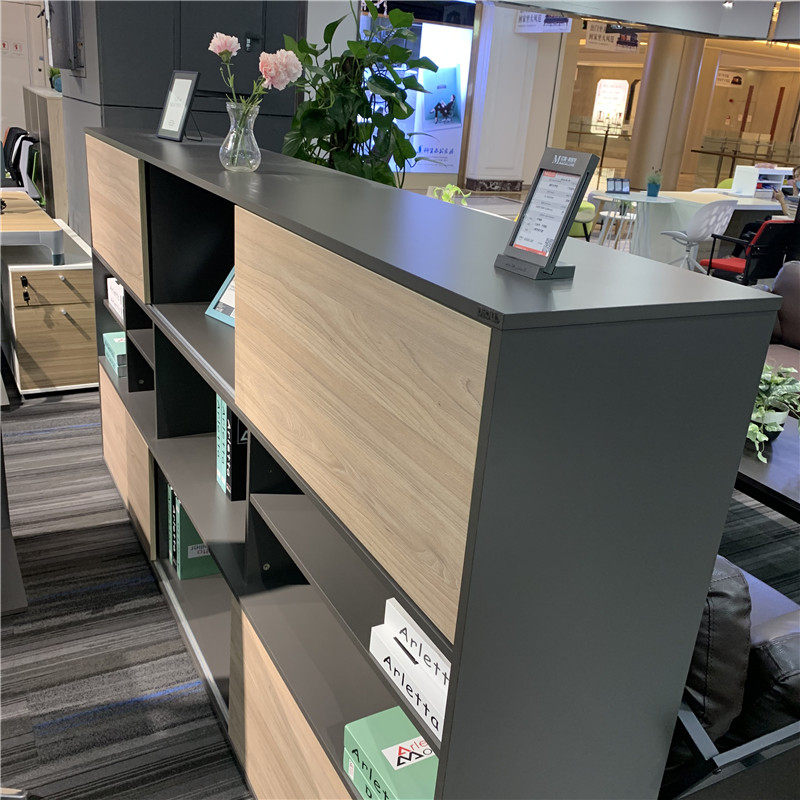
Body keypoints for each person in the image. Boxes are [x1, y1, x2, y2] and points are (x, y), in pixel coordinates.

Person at [731, 165, 799, 257]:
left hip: (788, 231)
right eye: (794, 177)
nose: (795, 180)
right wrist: (795, 191)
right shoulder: (798, 192)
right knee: (757, 223)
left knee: (749, 227)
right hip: (790, 229)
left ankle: (734, 256)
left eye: (797, 176)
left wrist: (781, 200)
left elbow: (789, 214)